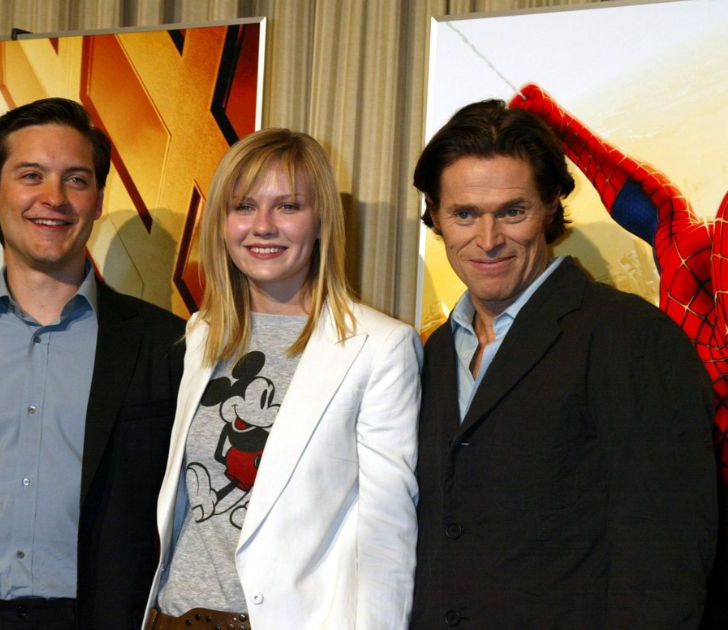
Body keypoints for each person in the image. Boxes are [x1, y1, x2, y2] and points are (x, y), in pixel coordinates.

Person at [411, 99, 717, 628]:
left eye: (512, 211)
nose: (488, 240)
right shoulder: (427, 356)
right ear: (435, 216)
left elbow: (665, 564)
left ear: (551, 206)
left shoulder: (631, 337)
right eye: (465, 214)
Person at [0, 97, 185, 629]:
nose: (53, 199)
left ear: (98, 198)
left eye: (76, 180)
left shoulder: (165, 346)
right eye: (31, 175)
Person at [142, 128, 421, 629]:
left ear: (320, 223)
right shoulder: (204, 332)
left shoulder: (380, 348)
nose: (262, 226)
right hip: (173, 615)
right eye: (243, 206)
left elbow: (387, 536)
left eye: (288, 206)